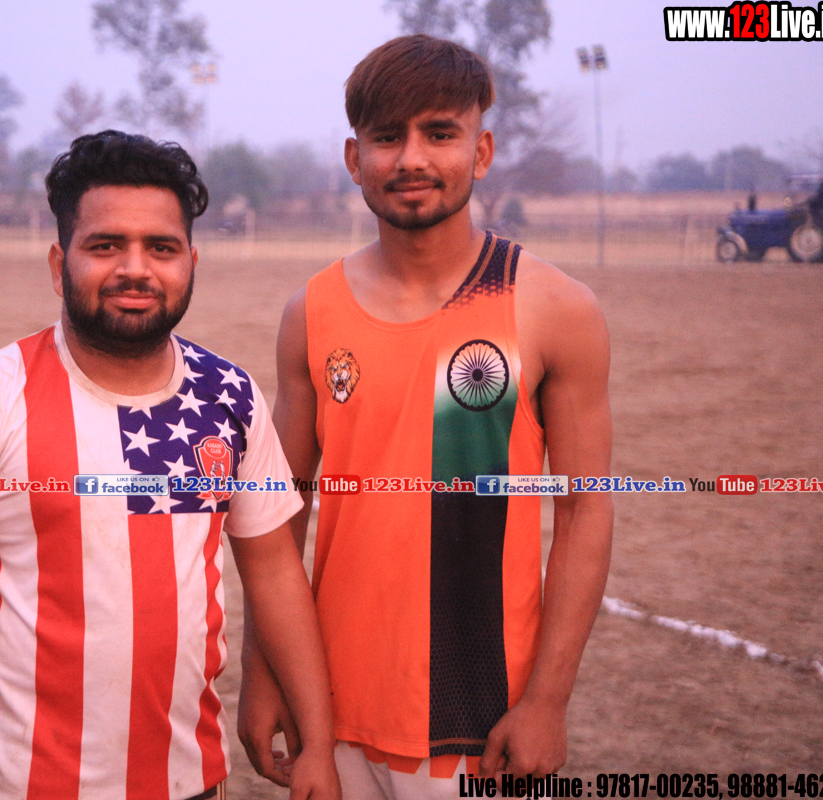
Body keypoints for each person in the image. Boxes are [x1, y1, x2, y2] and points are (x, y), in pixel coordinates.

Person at [0, 131, 340, 800]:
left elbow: (273, 572)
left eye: (161, 247)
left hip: (191, 785)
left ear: (191, 261)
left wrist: (318, 743)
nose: (135, 269)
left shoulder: (230, 395)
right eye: (105, 246)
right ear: (58, 263)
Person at [238, 36, 614, 796]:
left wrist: (547, 702)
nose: (412, 158)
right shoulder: (310, 312)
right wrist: (261, 669)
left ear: (482, 151)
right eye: (387, 137)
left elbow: (585, 511)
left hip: (482, 714)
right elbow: (279, 515)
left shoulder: (554, 307)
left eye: (439, 133)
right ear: (355, 158)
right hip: (330, 706)